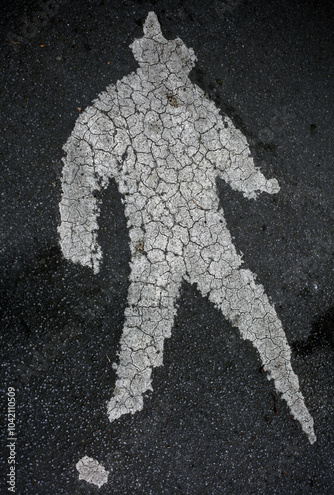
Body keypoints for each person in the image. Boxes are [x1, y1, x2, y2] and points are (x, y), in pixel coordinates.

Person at [58, 12, 316, 444]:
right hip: (158, 239)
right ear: (152, 59)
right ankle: (125, 401)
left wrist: (254, 180)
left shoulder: (190, 100)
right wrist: (79, 234)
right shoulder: (120, 106)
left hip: (206, 235)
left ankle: (291, 391)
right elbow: (79, 155)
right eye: (173, 57)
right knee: (147, 319)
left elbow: (226, 143)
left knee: (248, 310)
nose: (180, 65)